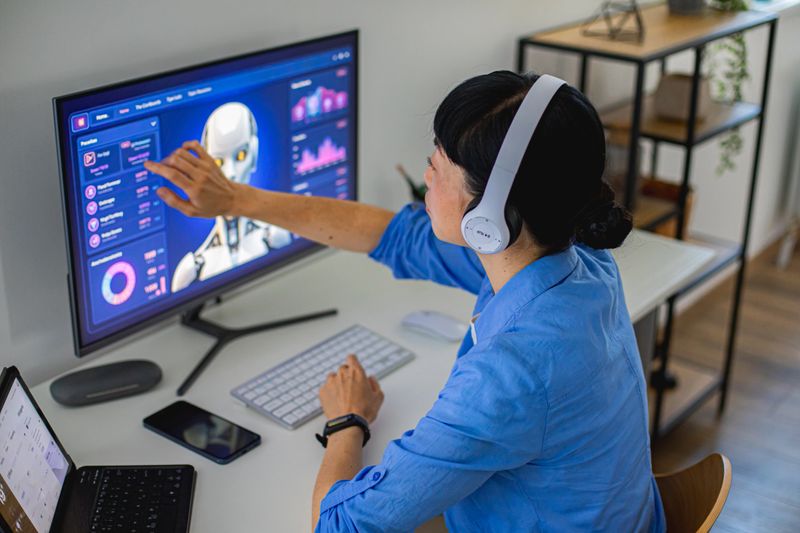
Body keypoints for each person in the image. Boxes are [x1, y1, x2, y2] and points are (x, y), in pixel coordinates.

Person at [144, 70, 666, 532]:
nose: (427, 174)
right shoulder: (575, 258)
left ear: (488, 217)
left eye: (440, 164)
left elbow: (340, 524)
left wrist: (347, 423)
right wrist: (238, 199)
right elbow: (393, 237)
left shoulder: (512, 374)